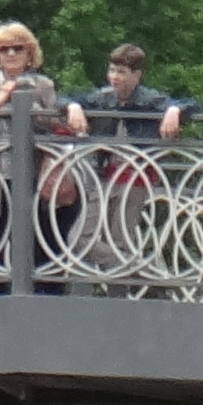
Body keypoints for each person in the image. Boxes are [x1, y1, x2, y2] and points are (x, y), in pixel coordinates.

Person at [0, 22, 78, 292]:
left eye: (17, 48)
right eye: (4, 49)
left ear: (29, 53)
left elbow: (54, 123)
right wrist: (2, 96)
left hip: (31, 175)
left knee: (40, 242)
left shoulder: (42, 85)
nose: (10, 54)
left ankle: (46, 300)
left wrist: (31, 103)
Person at [67, 41, 186, 284]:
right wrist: (73, 106)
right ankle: (139, 267)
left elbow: (188, 104)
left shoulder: (150, 99)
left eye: (121, 72)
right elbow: (65, 98)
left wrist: (174, 111)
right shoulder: (102, 98)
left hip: (135, 178)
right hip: (102, 176)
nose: (114, 77)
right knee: (79, 240)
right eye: (111, 71)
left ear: (137, 75)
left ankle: (122, 291)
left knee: (120, 239)